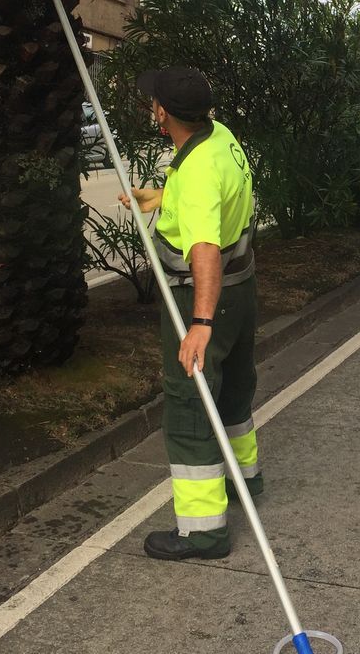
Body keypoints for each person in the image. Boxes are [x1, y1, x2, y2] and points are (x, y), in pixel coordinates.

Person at [120, 66, 261, 561]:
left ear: (163, 113)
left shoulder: (197, 170)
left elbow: (203, 246)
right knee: (235, 386)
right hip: (240, 289)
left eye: (153, 101)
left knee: (189, 405)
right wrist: (161, 197)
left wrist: (199, 324)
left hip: (202, 297)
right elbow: (210, 198)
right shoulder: (218, 136)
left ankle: (203, 532)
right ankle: (245, 481)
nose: (150, 106)